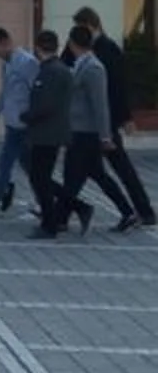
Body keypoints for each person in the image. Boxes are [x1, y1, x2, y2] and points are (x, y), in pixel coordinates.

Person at [73, 10, 154, 227]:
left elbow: (118, 87)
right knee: (90, 170)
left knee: (120, 169)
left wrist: (125, 117)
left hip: (104, 121)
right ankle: (65, 209)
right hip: (88, 123)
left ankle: (142, 211)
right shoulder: (81, 46)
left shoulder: (108, 50)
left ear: (92, 25)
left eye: (82, 26)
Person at [53, 25, 133, 236]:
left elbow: (100, 106)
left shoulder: (94, 68)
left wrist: (105, 136)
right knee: (95, 174)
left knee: (73, 176)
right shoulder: (82, 64)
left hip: (87, 133)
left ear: (71, 43)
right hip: (79, 131)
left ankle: (59, 218)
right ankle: (126, 211)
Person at [21, 30, 78, 237]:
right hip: (49, 131)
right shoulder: (55, 69)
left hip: (47, 133)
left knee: (40, 179)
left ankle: (49, 224)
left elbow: (46, 104)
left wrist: (27, 117)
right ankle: (67, 211)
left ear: (38, 48)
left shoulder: (52, 71)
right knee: (41, 177)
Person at [0, 28, 35, 215]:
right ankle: (42, 203)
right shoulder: (8, 64)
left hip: (24, 123)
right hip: (12, 122)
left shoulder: (27, 62)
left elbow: (35, 91)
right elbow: (4, 95)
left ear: (5, 42)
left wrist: (31, 116)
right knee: (27, 166)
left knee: (7, 163)